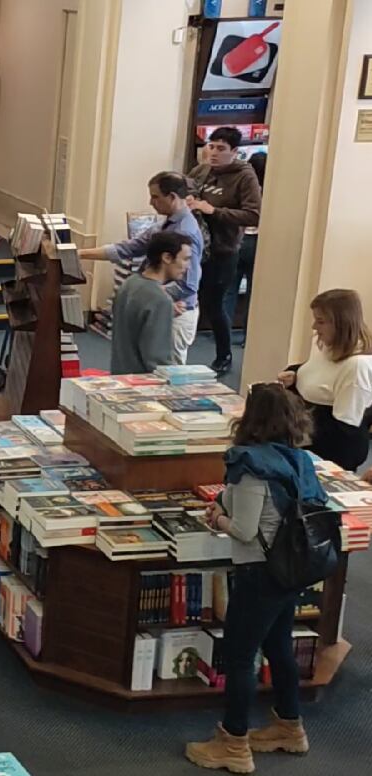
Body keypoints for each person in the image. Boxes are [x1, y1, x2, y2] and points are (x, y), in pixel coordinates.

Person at [186, 382, 324, 773]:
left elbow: (245, 530)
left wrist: (219, 518)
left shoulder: (250, 467)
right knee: (279, 644)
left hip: (259, 573)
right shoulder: (300, 460)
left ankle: (233, 743)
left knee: (240, 655)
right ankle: (289, 726)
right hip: (292, 570)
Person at [79, 171, 205, 366]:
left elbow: (189, 285)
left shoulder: (185, 232)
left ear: (172, 197)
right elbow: (129, 247)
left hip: (177, 313)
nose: (150, 202)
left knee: (167, 374)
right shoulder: (167, 223)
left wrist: (158, 296)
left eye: (155, 197)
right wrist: (79, 254)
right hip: (160, 307)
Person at [188, 127, 263, 376]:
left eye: (221, 149)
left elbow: (253, 214)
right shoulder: (202, 169)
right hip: (195, 245)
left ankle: (224, 355)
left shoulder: (244, 176)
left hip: (223, 250)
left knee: (214, 304)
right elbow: (186, 188)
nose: (214, 153)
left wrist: (214, 211)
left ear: (235, 152)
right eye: (211, 146)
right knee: (186, 298)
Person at [276, 289, 372, 472]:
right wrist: (294, 376)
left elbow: (344, 431)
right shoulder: (332, 348)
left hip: (328, 453)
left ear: (341, 324)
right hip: (306, 438)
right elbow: (316, 374)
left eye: (320, 321)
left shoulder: (357, 366)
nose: (314, 327)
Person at [109, 232, 192, 376]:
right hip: (143, 383)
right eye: (185, 259)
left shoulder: (130, 283)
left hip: (120, 375)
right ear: (166, 257)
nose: (188, 266)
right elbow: (157, 360)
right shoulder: (160, 300)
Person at [224, 151, 267, 345]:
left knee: (230, 289)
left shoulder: (245, 188)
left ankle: (223, 332)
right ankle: (249, 335)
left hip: (239, 239)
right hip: (259, 241)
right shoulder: (274, 192)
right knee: (253, 291)